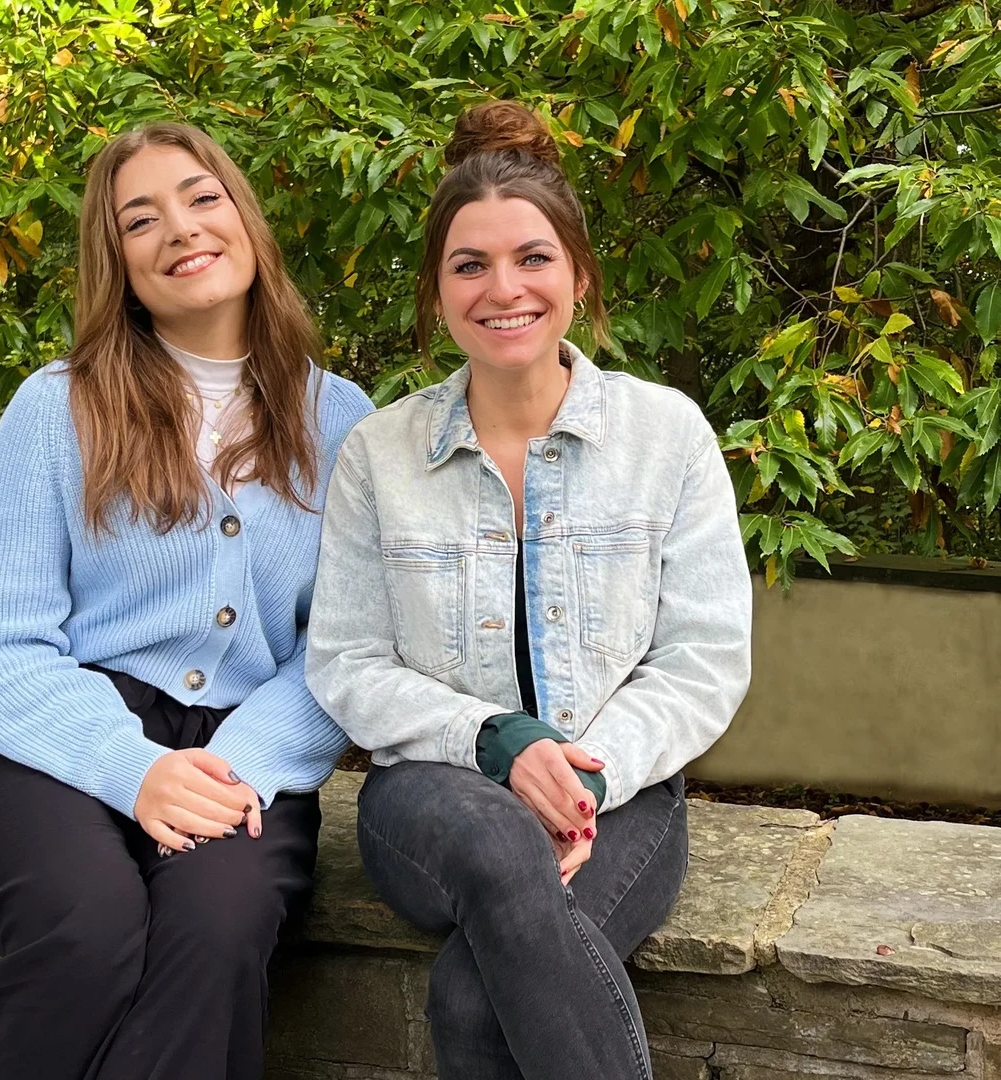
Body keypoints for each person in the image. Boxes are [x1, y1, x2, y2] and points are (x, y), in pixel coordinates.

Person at [305, 100, 752, 1080]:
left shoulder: (665, 435)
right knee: (494, 847)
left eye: (531, 258)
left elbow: (701, 657)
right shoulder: (378, 454)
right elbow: (344, 660)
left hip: (618, 789)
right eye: (468, 265)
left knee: (471, 997)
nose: (501, 288)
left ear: (579, 274)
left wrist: (584, 774)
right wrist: (497, 741)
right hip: (430, 799)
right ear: (434, 292)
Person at [0, 121, 373, 1080]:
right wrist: (128, 767)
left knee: (213, 934)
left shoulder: (345, 421)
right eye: (141, 220)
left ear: (245, 220)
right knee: (89, 934)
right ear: (117, 263)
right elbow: (2, 644)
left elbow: (339, 647)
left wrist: (237, 763)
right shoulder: (58, 406)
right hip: (41, 736)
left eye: (202, 199)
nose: (179, 229)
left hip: (244, 749)